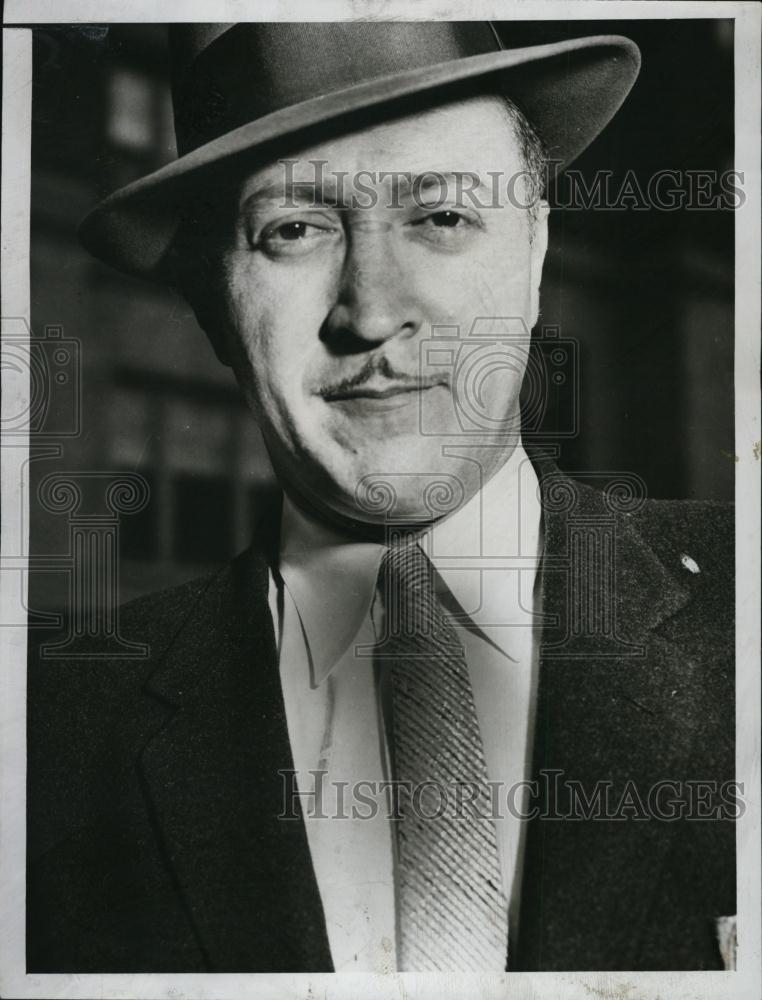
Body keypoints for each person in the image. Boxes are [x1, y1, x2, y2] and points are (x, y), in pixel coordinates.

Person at [27, 21, 735, 973]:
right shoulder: (46, 738)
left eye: (441, 217)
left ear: (534, 254)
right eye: (294, 229)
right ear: (211, 307)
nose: (371, 308)